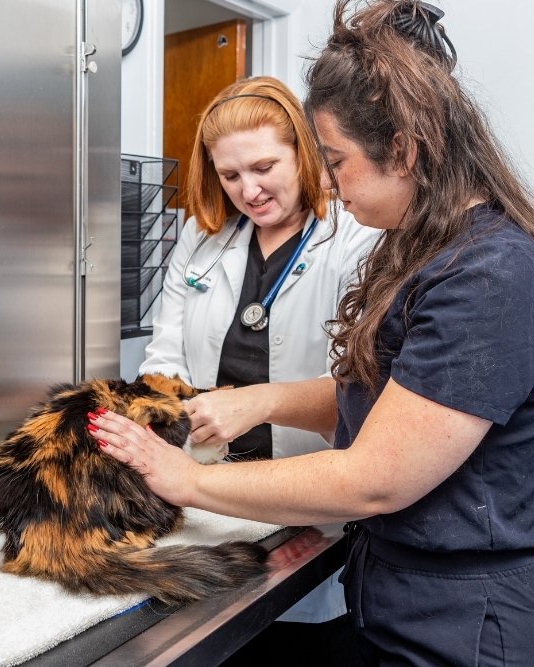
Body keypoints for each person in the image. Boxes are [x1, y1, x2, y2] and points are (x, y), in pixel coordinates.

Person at [94, 1, 534, 665]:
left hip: (484, 628)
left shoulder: (490, 274)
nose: (330, 183)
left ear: (403, 148)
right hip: (413, 607)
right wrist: (266, 399)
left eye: (333, 161)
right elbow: (386, 404)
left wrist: (181, 480)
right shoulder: (432, 253)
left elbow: (375, 477)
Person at [137, 75, 380, 663]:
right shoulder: (202, 240)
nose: (249, 190)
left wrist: (258, 400)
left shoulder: (356, 241)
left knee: (299, 645)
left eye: (265, 167)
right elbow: (163, 359)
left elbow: (365, 397)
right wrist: (158, 416)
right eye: (229, 175)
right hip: (213, 506)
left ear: (305, 151)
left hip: (311, 509)